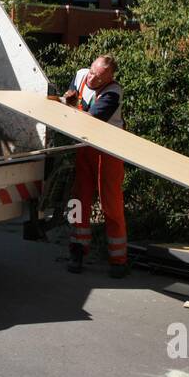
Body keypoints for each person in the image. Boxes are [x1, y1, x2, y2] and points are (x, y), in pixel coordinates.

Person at [63, 55, 128, 278]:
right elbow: (70, 97)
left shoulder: (113, 92)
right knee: (79, 199)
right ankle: (77, 249)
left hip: (108, 150)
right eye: (91, 71)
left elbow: (91, 119)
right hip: (85, 146)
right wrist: (66, 100)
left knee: (111, 203)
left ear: (109, 77)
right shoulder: (81, 75)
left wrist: (69, 106)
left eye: (98, 76)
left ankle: (118, 259)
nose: (91, 78)